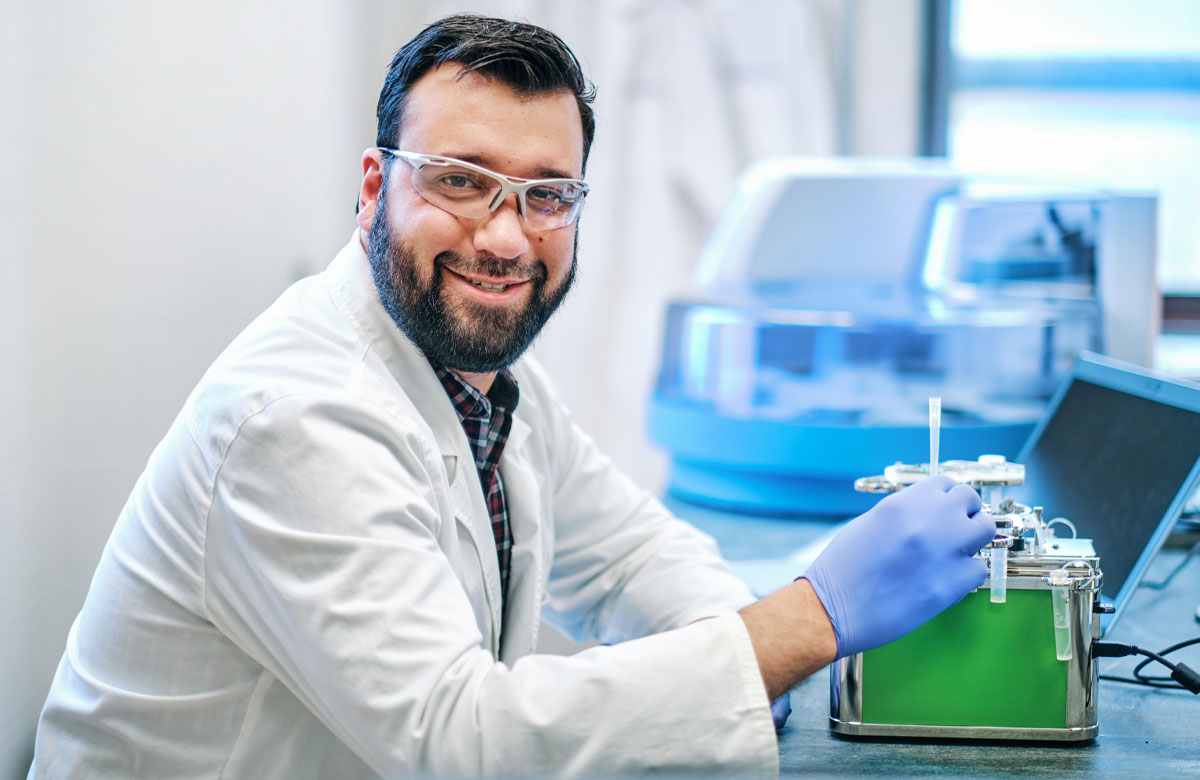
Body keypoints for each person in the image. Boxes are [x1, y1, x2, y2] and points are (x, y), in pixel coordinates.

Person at [28, 14, 994, 779]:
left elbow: (624, 558)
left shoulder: (484, 383)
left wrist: (751, 655)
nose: (504, 236)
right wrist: (809, 620)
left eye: (547, 194)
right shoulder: (297, 415)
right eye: (460, 181)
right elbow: (459, 739)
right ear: (374, 189)